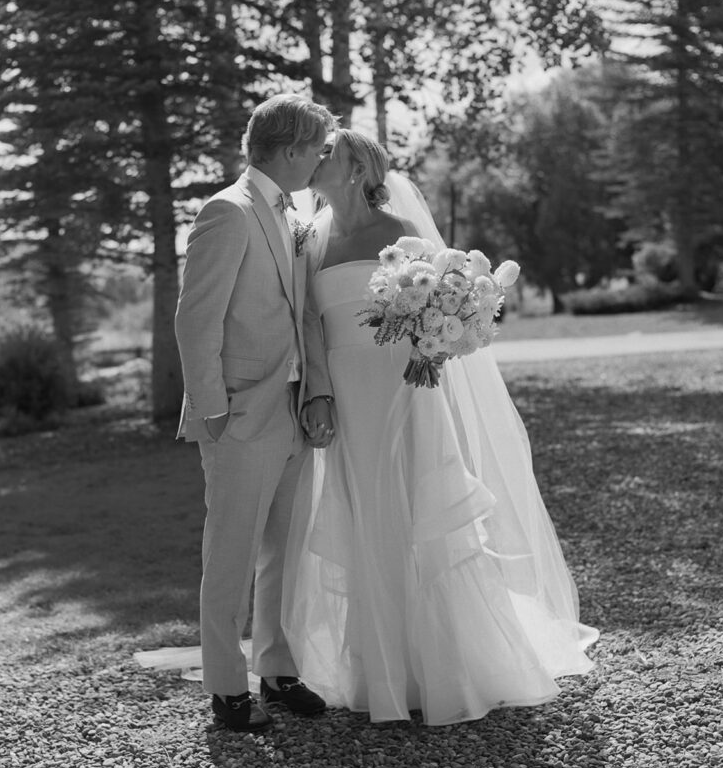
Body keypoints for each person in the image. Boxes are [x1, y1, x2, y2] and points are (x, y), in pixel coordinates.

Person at [282, 129, 599, 726]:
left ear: (355, 170)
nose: (316, 160)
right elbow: (310, 327)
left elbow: (445, 316)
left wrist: (436, 342)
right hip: (347, 399)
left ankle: (445, 664)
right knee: (361, 513)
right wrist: (318, 393)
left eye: (329, 153)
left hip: (405, 394)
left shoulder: (399, 235)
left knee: (416, 512)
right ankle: (381, 668)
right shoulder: (309, 242)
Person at [174, 93, 340, 732]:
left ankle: (277, 671)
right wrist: (213, 410)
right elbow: (197, 318)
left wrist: (317, 390)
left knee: (286, 554)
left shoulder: (293, 212)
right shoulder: (228, 211)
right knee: (232, 555)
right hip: (240, 417)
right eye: (318, 149)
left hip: (293, 411)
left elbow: (303, 315)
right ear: (292, 149)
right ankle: (225, 688)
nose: (322, 160)